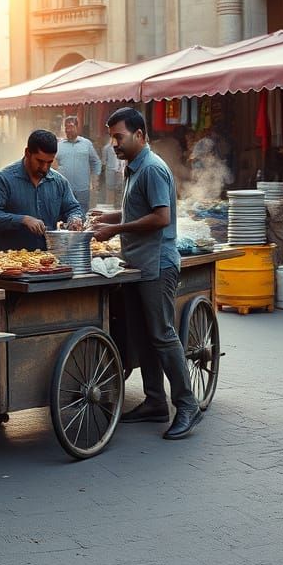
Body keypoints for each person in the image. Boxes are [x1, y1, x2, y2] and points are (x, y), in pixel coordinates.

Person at [91, 107, 200, 441]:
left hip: (157, 264)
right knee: (144, 336)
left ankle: (187, 405)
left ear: (139, 135)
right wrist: (108, 217)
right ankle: (155, 400)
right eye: (111, 138)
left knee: (163, 336)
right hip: (138, 265)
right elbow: (139, 209)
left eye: (119, 137)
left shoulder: (152, 168)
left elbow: (161, 217)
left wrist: (116, 228)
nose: (113, 144)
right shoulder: (133, 169)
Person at [0, 129, 82, 251]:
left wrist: (75, 218)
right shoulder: (3, 179)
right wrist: (23, 220)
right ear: (27, 153)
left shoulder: (59, 181)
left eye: (49, 162)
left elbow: (73, 208)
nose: (45, 168)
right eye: (40, 161)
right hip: (9, 261)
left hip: (48, 260)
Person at [54, 116, 102, 216]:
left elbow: (96, 162)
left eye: (71, 126)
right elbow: (51, 163)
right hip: (64, 189)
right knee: (64, 215)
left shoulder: (86, 144)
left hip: (82, 189)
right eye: (66, 127)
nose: (68, 130)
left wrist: (95, 180)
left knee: (81, 215)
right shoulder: (59, 145)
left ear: (77, 127)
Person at [100, 137, 124, 207]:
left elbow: (121, 159)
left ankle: (117, 205)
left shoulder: (120, 148)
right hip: (109, 170)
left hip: (119, 171)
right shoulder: (106, 148)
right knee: (110, 188)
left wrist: (121, 168)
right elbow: (104, 161)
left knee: (119, 188)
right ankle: (109, 205)